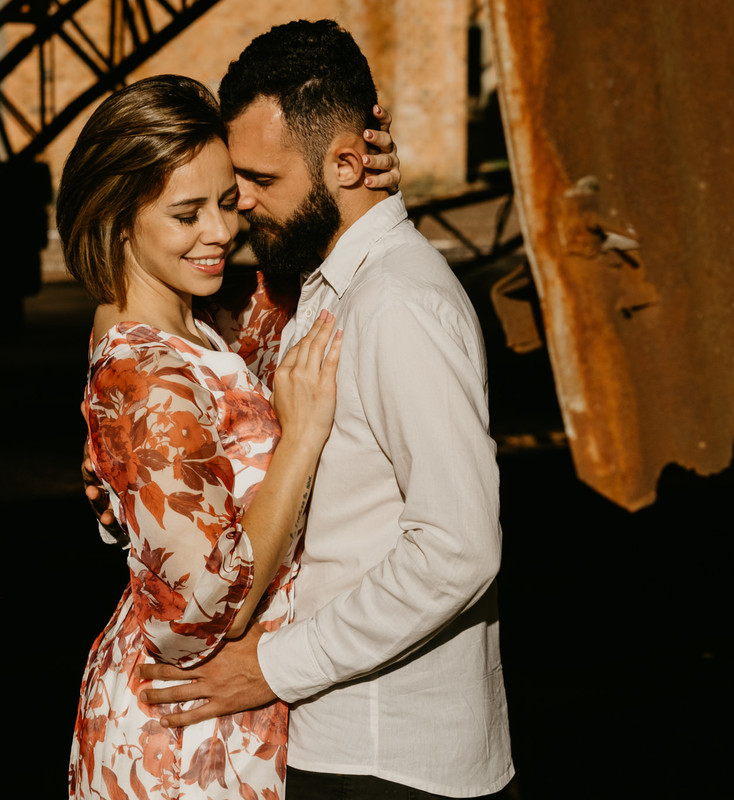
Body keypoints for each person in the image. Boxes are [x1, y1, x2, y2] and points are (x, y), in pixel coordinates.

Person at [139, 20, 514, 800]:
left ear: (347, 163)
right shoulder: (325, 281)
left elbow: (458, 548)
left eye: (261, 179)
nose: (242, 203)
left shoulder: (397, 305)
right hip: (342, 739)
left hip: (388, 756)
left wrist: (274, 668)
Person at [61, 75, 344, 799]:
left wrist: (353, 175)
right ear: (119, 218)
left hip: (214, 719)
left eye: (227, 200)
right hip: (183, 739)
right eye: (186, 214)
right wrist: (300, 441)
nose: (219, 231)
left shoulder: (195, 321)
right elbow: (197, 614)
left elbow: (299, 290)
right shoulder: (146, 375)